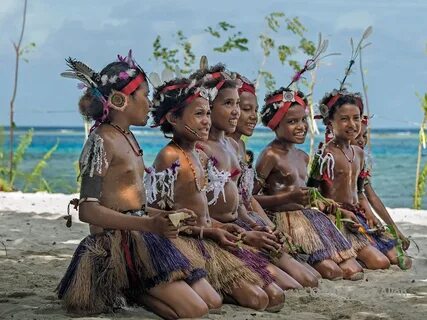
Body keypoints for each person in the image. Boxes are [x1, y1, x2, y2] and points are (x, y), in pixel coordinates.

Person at [56, 52, 213, 319]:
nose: (150, 103)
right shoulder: (101, 140)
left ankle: (134, 289)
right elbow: (88, 211)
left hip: (141, 236)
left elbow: (134, 206)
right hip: (117, 244)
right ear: (120, 100)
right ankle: (130, 285)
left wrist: (163, 217)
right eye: (145, 95)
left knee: (211, 301)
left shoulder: (127, 137)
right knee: (195, 310)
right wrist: (149, 225)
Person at [148, 76, 286, 311]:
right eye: (199, 115)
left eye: (207, 114)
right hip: (187, 242)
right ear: (173, 118)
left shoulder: (199, 156)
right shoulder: (170, 157)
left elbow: (203, 211)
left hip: (210, 236)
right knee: (256, 299)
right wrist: (209, 231)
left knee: (274, 296)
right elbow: (156, 216)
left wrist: (227, 229)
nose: (206, 122)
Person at [190, 63, 314, 290]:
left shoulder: (233, 147)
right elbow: (195, 211)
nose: (237, 112)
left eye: (239, 105)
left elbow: (242, 201)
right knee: (277, 291)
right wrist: (246, 232)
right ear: (208, 105)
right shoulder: (199, 151)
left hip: (240, 223)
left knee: (307, 280)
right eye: (230, 104)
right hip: (216, 231)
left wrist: (260, 225)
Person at [254, 81, 365, 280]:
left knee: (352, 270)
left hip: (309, 219)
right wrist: (287, 197)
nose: (301, 127)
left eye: (303, 120)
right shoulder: (269, 155)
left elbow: (310, 196)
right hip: (285, 220)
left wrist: (336, 208)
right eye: (292, 122)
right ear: (275, 125)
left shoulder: (303, 156)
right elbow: (250, 199)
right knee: (331, 272)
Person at [308, 88, 399, 270]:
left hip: (357, 217)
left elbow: (360, 192)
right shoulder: (325, 155)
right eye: (344, 119)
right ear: (330, 122)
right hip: (336, 219)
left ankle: (358, 251)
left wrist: (369, 214)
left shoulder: (358, 153)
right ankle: (346, 253)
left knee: (395, 258)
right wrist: (338, 212)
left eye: (356, 118)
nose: (352, 124)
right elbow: (311, 195)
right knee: (380, 262)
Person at [351, 116, 411, 269]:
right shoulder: (331, 158)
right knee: (381, 262)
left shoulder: (360, 160)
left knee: (400, 259)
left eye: (364, 136)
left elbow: (369, 196)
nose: (361, 140)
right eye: (357, 135)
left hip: (360, 215)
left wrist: (395, 230)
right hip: (345, 218)